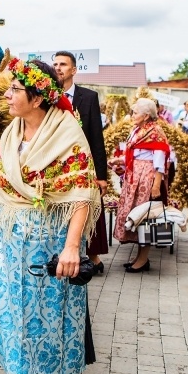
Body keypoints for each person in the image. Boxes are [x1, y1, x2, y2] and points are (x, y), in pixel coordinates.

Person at [0, 58, 101, 374]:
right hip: (10, 239)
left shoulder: (67, 133)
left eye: (15, 90)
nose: (7, 95)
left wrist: (72, 247)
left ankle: (46, 368)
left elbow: (81, 193)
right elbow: (4, 185)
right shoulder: (11, 132)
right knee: (12, 312)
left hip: (49, 238)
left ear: (38, 98)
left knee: (47, 311)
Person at [53, 51, 108, 275]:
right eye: (55, 64)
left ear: (73, 70)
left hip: (83, 166)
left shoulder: (89, 97)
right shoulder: (47, 96)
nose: (58, 67)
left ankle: (92, 257)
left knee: (88, 207)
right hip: (56, 166)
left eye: (63, 64)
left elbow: (96, 137)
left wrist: (102, 176)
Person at [109, 98, 170, 272]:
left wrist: (156, 185)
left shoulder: (155, 131)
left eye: (135, 112)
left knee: (146, 217)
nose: (132, 115)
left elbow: (159, 161)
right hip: (136, 176)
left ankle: (143, 259)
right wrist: (119, 160)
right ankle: (139, 257)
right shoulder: (138, 129)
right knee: (136, 215)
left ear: (146, 115)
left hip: (147, 177)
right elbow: (135, 153)